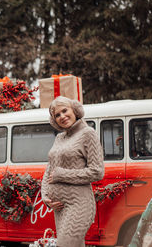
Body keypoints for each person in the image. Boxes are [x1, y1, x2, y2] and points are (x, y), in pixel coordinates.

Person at [41, 96, 105, 247]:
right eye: (57, 115)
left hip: (78, 204)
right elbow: (49, 169)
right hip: (59, 208)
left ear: (74, 110)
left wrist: (62, 175)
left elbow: (97, 171)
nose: (62, 116)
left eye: (65, 111)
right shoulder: (59, 138)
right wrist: (45, 196)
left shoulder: (88, 133)